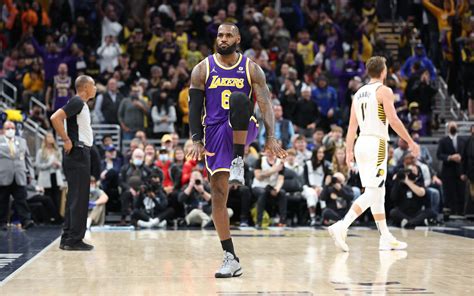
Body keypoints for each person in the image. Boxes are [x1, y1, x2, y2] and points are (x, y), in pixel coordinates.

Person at [188, 23, 287, 278]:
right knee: (219, 195)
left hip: (243, 126)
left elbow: (265, 102)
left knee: (240, 100)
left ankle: (238, 161)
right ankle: (231, 257)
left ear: (238, 38)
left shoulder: (251, 68)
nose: (223, 39)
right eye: (220, 35)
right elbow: (194, 107)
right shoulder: (202, 68)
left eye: (228, 34)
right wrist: (196, 139)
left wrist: (271, 136)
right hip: (214, 133)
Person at [328, 56, 420, 252]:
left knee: (379, 191)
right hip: (376, 143)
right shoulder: (384, 91)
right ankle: (342, 226)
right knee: (373, 192)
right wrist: (411, 141)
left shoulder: (359, 93)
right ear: (384, 71)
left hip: (361, 143)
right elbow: (394, 120)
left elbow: (352, 126)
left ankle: (385, 236)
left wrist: (349, 149)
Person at [50, 75, 97, 251]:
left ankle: (68, 238)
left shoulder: (80, 104)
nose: (95, 88)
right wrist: (66, 139)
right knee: (79, 198)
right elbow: (55, 117)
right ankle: (74, 239)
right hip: (77, 153)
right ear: (85, 87)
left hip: (79, 153)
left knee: (74, 197)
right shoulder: (77, 101)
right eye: (93, 85)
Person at [0, 121, 35, 230]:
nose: (10, 130)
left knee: (21, 199)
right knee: (2, 201)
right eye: (8, 128)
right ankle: (2, 223)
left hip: (19, 175)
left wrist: (31, 173)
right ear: (3, 130)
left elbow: (27, 158)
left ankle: (26, 220)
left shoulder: (22, 141)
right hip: (3, 176)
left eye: (12, 127)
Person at [437, 121, 466, 216]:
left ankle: (461, 212)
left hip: (460, 170)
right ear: (448, 128)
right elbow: (439, 155)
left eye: (454, 125)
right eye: (451, 126)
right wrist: (450, 157)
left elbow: (466, 154)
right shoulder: (443, 140)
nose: (453, 127)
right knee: (449, 192)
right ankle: (451, 212)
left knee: (461, 191)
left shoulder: (463, 140)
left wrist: (461, 157)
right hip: (448, 170)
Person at [35, 132, 64, 220]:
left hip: (56, 176)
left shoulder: (57, 150)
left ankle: (57, 217)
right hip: (45, 178)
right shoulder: (41, 151)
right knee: (48, 197)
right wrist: (49, 164)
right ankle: (48, 217)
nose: (50, 138)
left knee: (57, 197)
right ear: (45, 139)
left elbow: (61, 163)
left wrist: (58, 165)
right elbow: (38, 165)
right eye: (48, 137)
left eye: (51, 137)